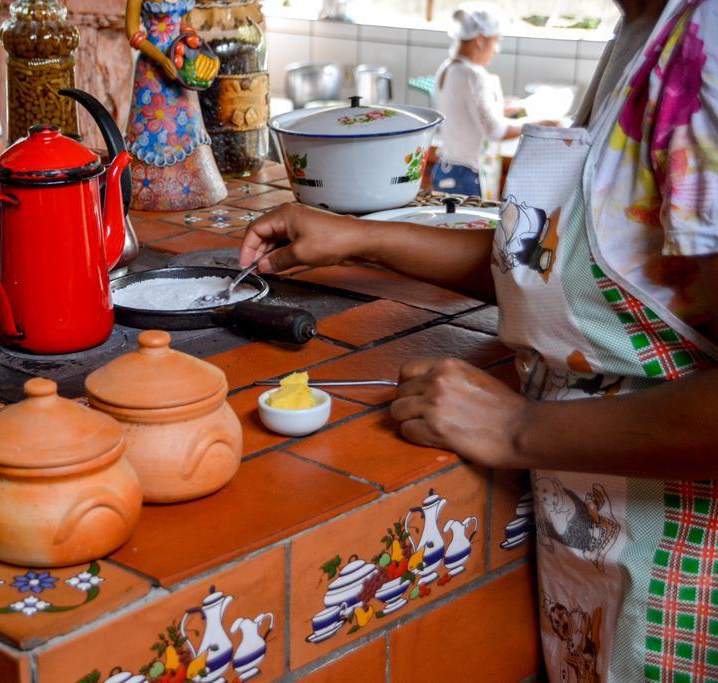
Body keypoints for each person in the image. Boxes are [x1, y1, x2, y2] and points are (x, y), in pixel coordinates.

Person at [240, 0, 718, 677]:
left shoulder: (706, 54)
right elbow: (554, 267)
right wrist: (365, 239)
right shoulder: (644, 33)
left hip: (692, 593)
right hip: (604, 579)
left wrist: (517, 428)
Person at [123, 0, 227, 211]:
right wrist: (161, 58)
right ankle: (146, 190)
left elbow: (185, 23)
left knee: (188, 121)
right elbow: (133, 33)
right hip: (152, 69)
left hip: (181, 64)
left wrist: (193, 45)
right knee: (149, 126)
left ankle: (193, 187)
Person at [432, 3, 520, 198]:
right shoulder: (473, 76)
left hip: (445, 171)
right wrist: (536, 125)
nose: (496, 50)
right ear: (480, 39)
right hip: (466, 178)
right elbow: (495, 130)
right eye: (496, 41)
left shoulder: (448, 68)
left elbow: (463, 111)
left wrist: (501, 107)